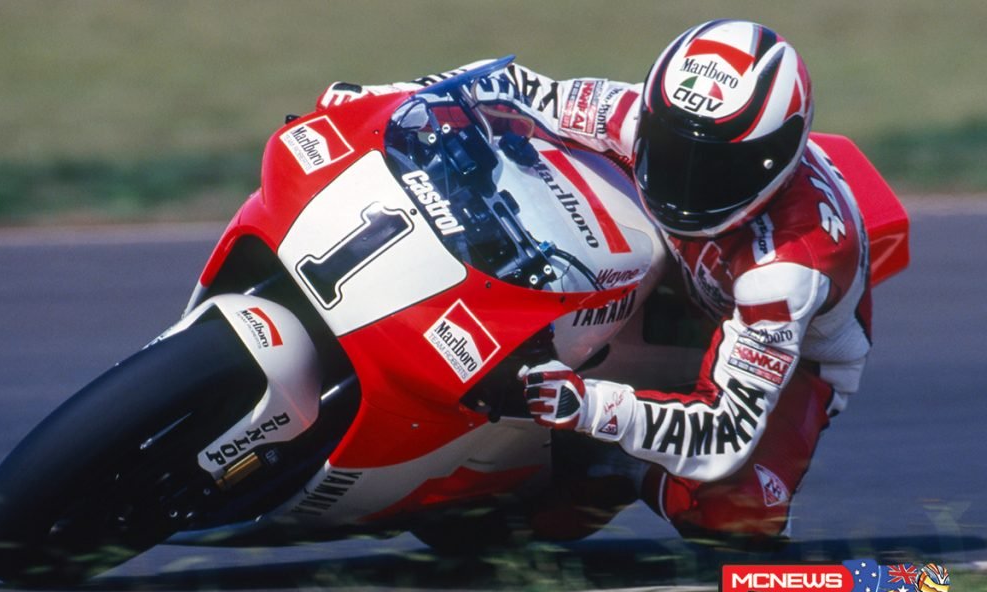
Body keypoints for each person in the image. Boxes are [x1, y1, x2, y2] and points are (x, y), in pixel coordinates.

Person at [321, 19, 872, 547]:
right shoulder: (636, 114)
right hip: (674, 271)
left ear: (775, 165)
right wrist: (383, 99)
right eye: (673, 151)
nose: (685, 184)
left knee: (736, 512)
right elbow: (515, 86)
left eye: (717, 171)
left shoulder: (787, 267)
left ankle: (611, 467)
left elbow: (724, 434)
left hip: (784, 349)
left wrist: (590, 408)